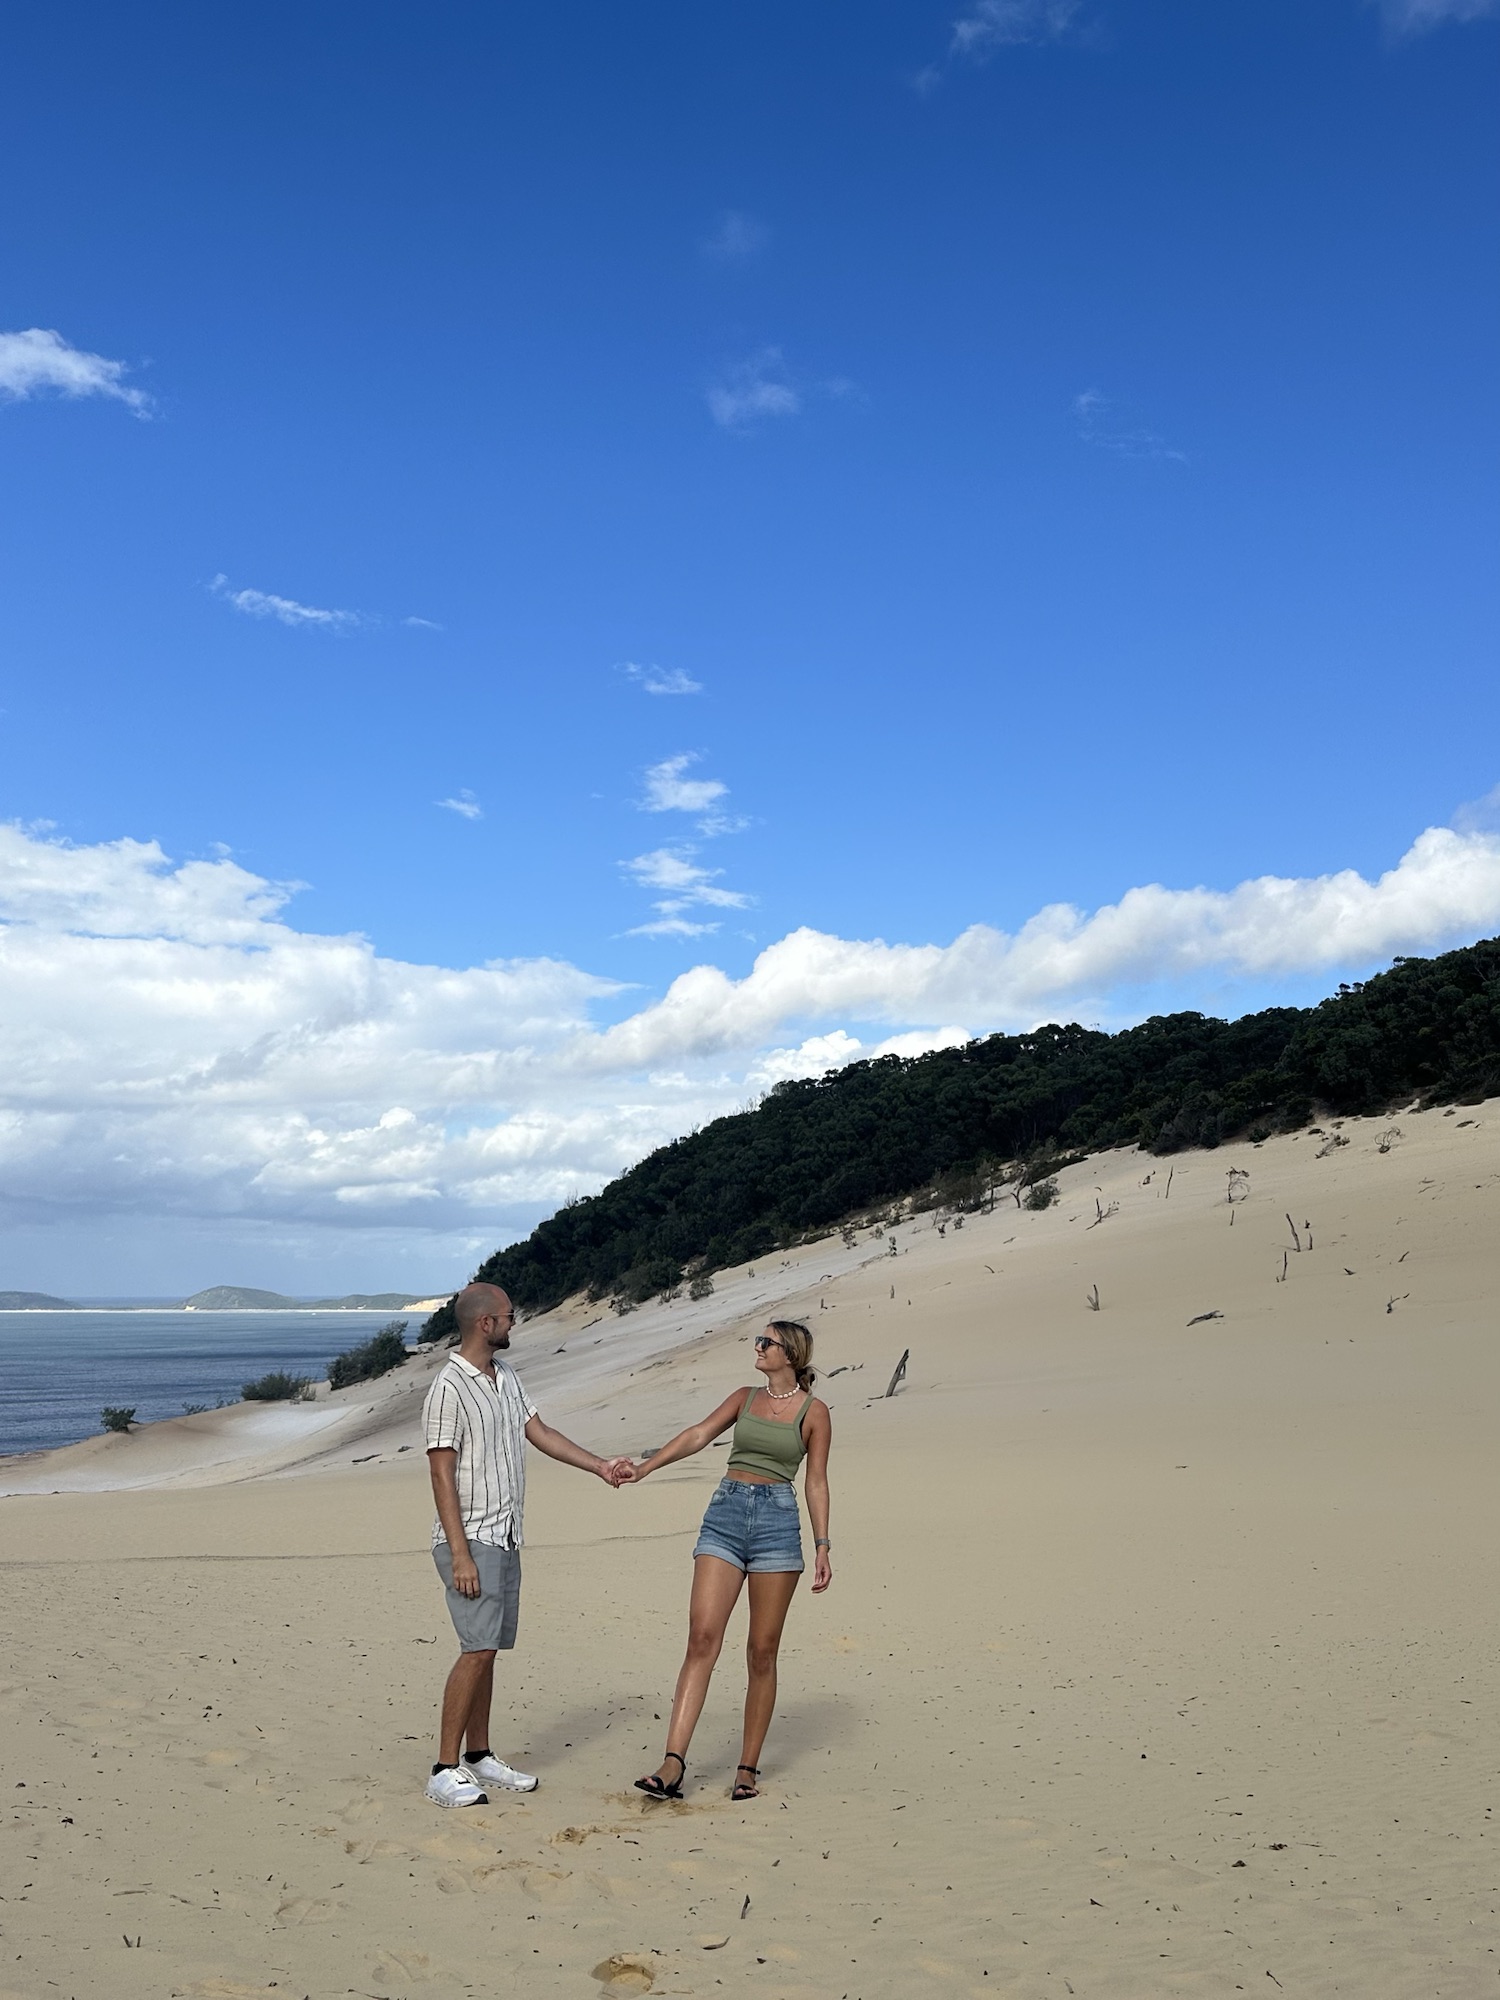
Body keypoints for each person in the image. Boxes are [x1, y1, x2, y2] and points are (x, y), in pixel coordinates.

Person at [421, 1281, 631, 1808]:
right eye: (509, 1316)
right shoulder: (448, 1387)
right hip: (471, 1539)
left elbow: (539, 1432)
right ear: (485, 1323)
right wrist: (461, 1552)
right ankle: (444, 1768)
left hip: (506, 1533)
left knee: (489, 1650)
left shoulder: (506, 1377)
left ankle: (479, 1756)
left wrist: (600, 1466)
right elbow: (441, 1474)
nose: (515, 1322)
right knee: (477, 1649)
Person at [622, 1318, 832, 1802]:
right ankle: (672, 1763)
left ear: (790, 1355)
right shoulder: (744, 1398)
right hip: (725, 1514)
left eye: (766, 1343)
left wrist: (822, 1544)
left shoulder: (815, 1412)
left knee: (761, 1651)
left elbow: (816, 1481)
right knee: (701, 1638)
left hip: (778, 1525)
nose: (757, 1349)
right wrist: (646, 1466)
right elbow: (698, 1434)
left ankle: (746, 1769)